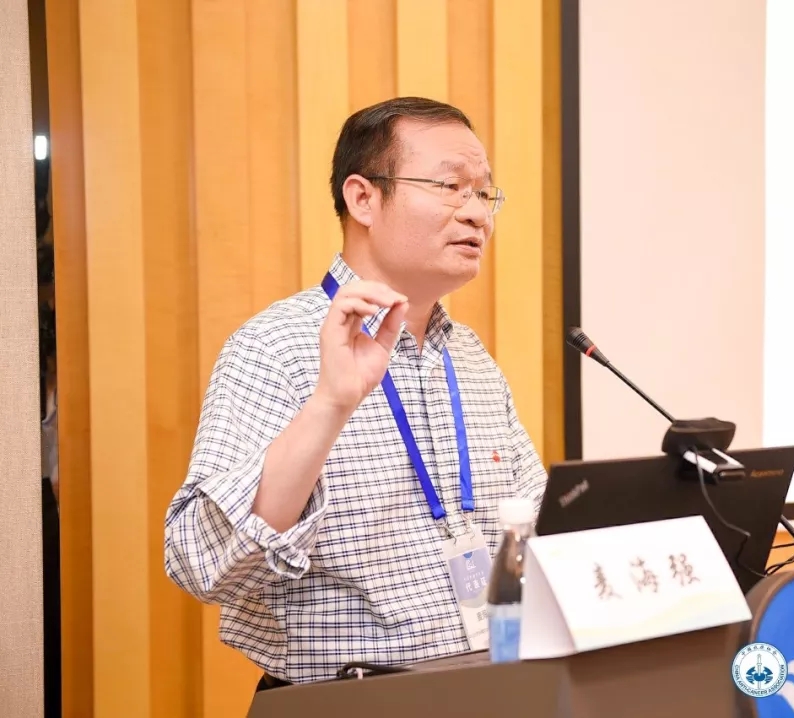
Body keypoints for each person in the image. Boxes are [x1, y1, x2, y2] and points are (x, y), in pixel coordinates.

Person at [164, 97, 548, 690]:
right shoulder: (275, 347)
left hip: (487, 689)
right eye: (451, 186)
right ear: (363, 198)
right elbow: (199, 563)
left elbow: (537, 526)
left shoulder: (469, 357)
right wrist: (330, 404)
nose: (476, 213)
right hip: (348, 699)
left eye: (483, 192)